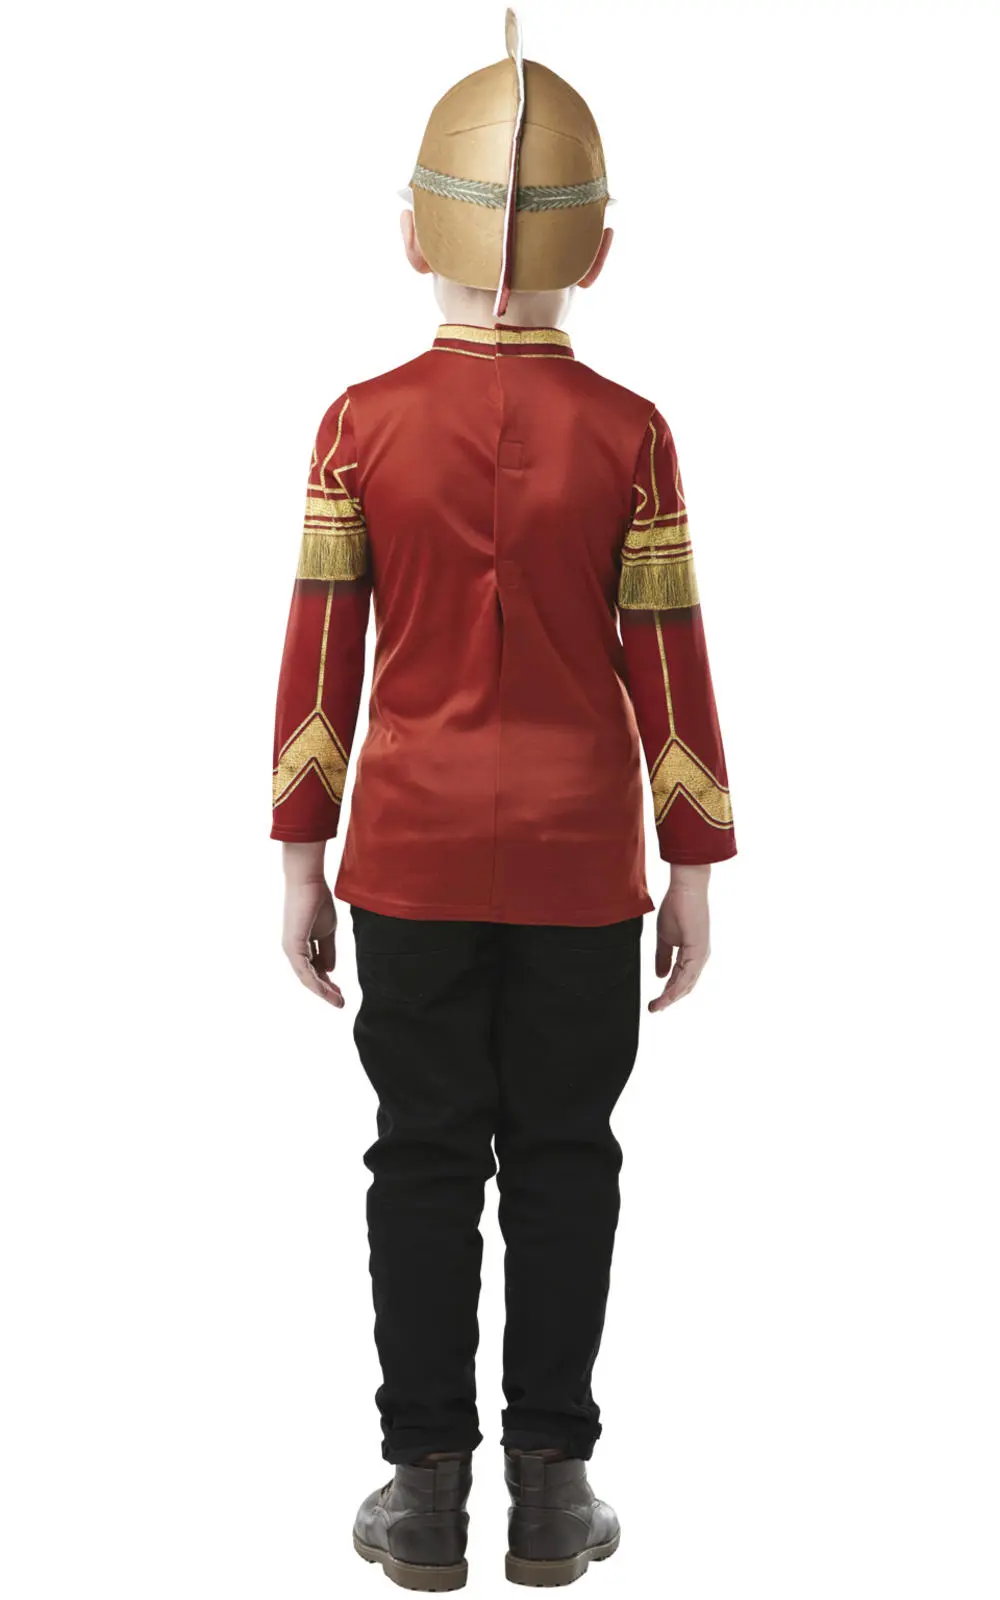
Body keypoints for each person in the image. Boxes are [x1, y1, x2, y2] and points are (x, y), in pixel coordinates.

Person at [270, 10, 736, 1589]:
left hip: (404, 858)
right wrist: (691, 862)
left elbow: (320, 659)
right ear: (598, 252)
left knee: (418, 1158)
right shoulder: (631, 433)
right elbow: (666, 656)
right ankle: (550, 1493)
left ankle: (422, 1499)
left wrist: (300, 855)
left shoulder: (359, 423)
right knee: (564, 1161)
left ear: (415, 233)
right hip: (580, 868)